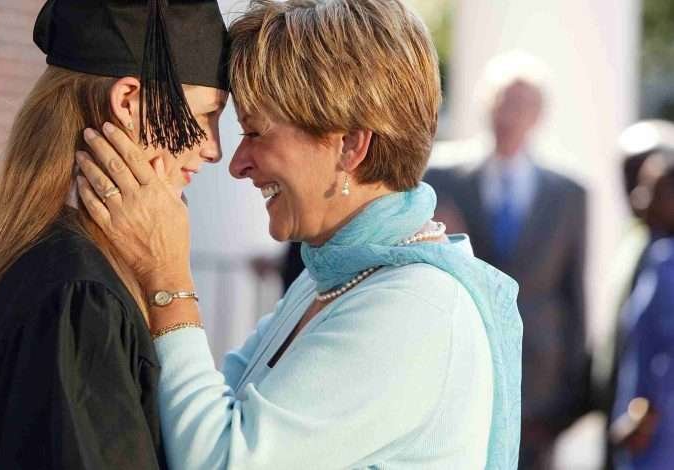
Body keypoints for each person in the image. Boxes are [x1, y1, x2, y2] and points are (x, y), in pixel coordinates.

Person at [75, 0, 523, 468]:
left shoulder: (415, 307)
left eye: (255, 133)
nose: (236, 163)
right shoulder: (333, 277)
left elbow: (220, 458)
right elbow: (203, 414)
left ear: (349, 145)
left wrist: (166, 274)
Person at [0, 1, 229, 468]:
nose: (214, 149)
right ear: (128, 102)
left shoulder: (55, 266)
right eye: (207, 115)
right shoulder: (81, 298)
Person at [424, 52, 589, 469]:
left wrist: (570, 395)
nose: (509, 114)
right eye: (502, 100)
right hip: (460, 363)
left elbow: (573, 293)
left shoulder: (569, 194)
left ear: (539, 115)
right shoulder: (440, 177)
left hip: (537, 385)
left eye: (521, 104)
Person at [610, 149, 674, 470]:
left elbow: (664, 358)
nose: (639, 197)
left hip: (656, 438)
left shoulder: (666, 264)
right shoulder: (649, 251)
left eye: (654, 190)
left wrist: (641, 417)